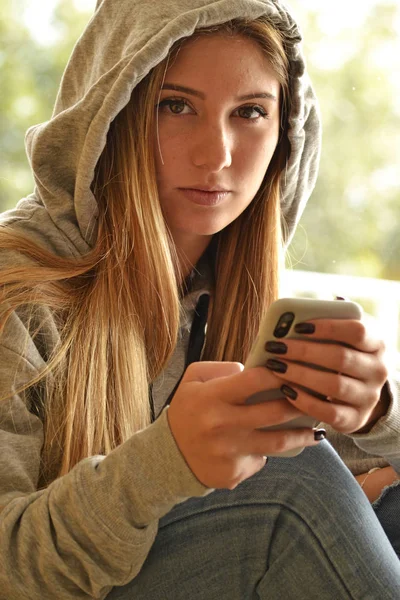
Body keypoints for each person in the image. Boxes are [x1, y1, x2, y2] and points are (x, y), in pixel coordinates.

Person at [0, 0, 399, 598]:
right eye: (176, 105)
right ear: (115, 111)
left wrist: (375, 414)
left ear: (285, 135)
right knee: (293, 489)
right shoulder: (17, 291)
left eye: (250, 113)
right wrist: (166, 464)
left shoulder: (249, 305)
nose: (217, 156)